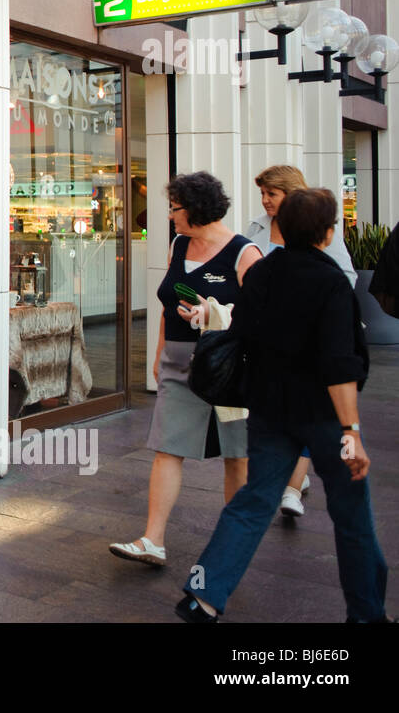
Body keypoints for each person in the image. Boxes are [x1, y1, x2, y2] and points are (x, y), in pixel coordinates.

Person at [176, 188, 390, 623]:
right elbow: (337, 364)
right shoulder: (330, 282)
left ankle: (203, 596)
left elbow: (247, 334)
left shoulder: (263, 273)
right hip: (325, 418)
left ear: (281, 228)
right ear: (328, 234)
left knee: (254, 500)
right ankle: (367, 613)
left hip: (270, 410)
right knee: (351, 513)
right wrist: (351, 431)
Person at [109, 171, 261, 567]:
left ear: (196, 210)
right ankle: (152, 540)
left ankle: (235, 541)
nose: (170, 216)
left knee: (237, 453)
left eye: (175, 209)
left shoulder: (245, 254)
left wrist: (215, 313)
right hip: (179, 361)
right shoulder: (179, 244)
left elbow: (261, 314)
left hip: (229, 365)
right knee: (167, 447)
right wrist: (160, 351)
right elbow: (166, 303)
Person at [245, 165, 356, 518]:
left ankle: (293, 488)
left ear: (291, 194)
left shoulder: (321, 231)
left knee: (309, 408)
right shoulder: (257, 227)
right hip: (270, 345)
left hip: (312, 342)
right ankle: (291, 481)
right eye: (263, 194)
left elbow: (345, 278)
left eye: (271, 194)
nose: (265, 201)